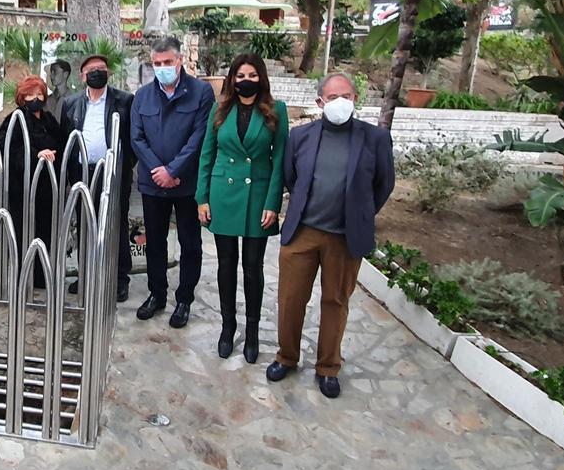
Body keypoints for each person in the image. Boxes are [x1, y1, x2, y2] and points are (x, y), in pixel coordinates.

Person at [266, 73, 395, 398]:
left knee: (335, 302)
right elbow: (291, 177)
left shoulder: (374, 138)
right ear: (320, 102)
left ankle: (328, 367)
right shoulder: (301, 136)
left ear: (355, 99)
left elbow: (384, 184)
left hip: (344, 238)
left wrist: (358, 212)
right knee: (291, 300)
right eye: (333, 97)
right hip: (303, 233)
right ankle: (287, 357)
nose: (341, 102)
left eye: (347, 96)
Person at [195, 54, 289, 364]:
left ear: (260, 78)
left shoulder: (277, 111)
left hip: (257, 198)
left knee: (252, 268)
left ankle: (251, 332)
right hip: (223, 194)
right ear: (231, 79)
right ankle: (227, 327)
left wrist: (273, 203)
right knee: (225, 265)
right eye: (239, 75)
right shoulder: (219, 109)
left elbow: (280, 162)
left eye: (250, 75)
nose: (244, 80)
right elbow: (207, 155)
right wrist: (202, 198)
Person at [130, 36, 214, 328]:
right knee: (154, 242)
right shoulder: (142, 96)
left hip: (187, 183)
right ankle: (157, 294)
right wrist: (159, 170)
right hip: (153, 184)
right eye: (157, 63)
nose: (163, 67)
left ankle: (184, 299)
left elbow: (200, 137)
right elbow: (136, 138)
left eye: (168, 62)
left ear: (180, 61)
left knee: (190, 243)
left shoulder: (201, 93)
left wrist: (175, 169)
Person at [60, 54, 136, 303]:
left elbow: (133, 139)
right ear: (82, 76)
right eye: (92, 70)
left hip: (113, 172)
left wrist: (124, 167)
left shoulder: (124, 101)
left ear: (108, 73)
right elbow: (65, 141)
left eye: (101, 69)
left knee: (116, 223)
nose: (97, 72)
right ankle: (86, 274)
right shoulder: (71, 104)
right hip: (83, 173)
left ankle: (119, 278)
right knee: (85, 223)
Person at [0, 75, 66, 288]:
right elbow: (10, 150)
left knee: (46, 231)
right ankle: (23, 277)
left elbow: (62, 143)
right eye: (30, 94)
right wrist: (37, 154)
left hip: (48, 189)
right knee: (24, 232)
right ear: (22, 96)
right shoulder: (15, 119)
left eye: (39, 93)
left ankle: (42, 276)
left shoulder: (48, 119)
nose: (35, 98)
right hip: (24, 190)